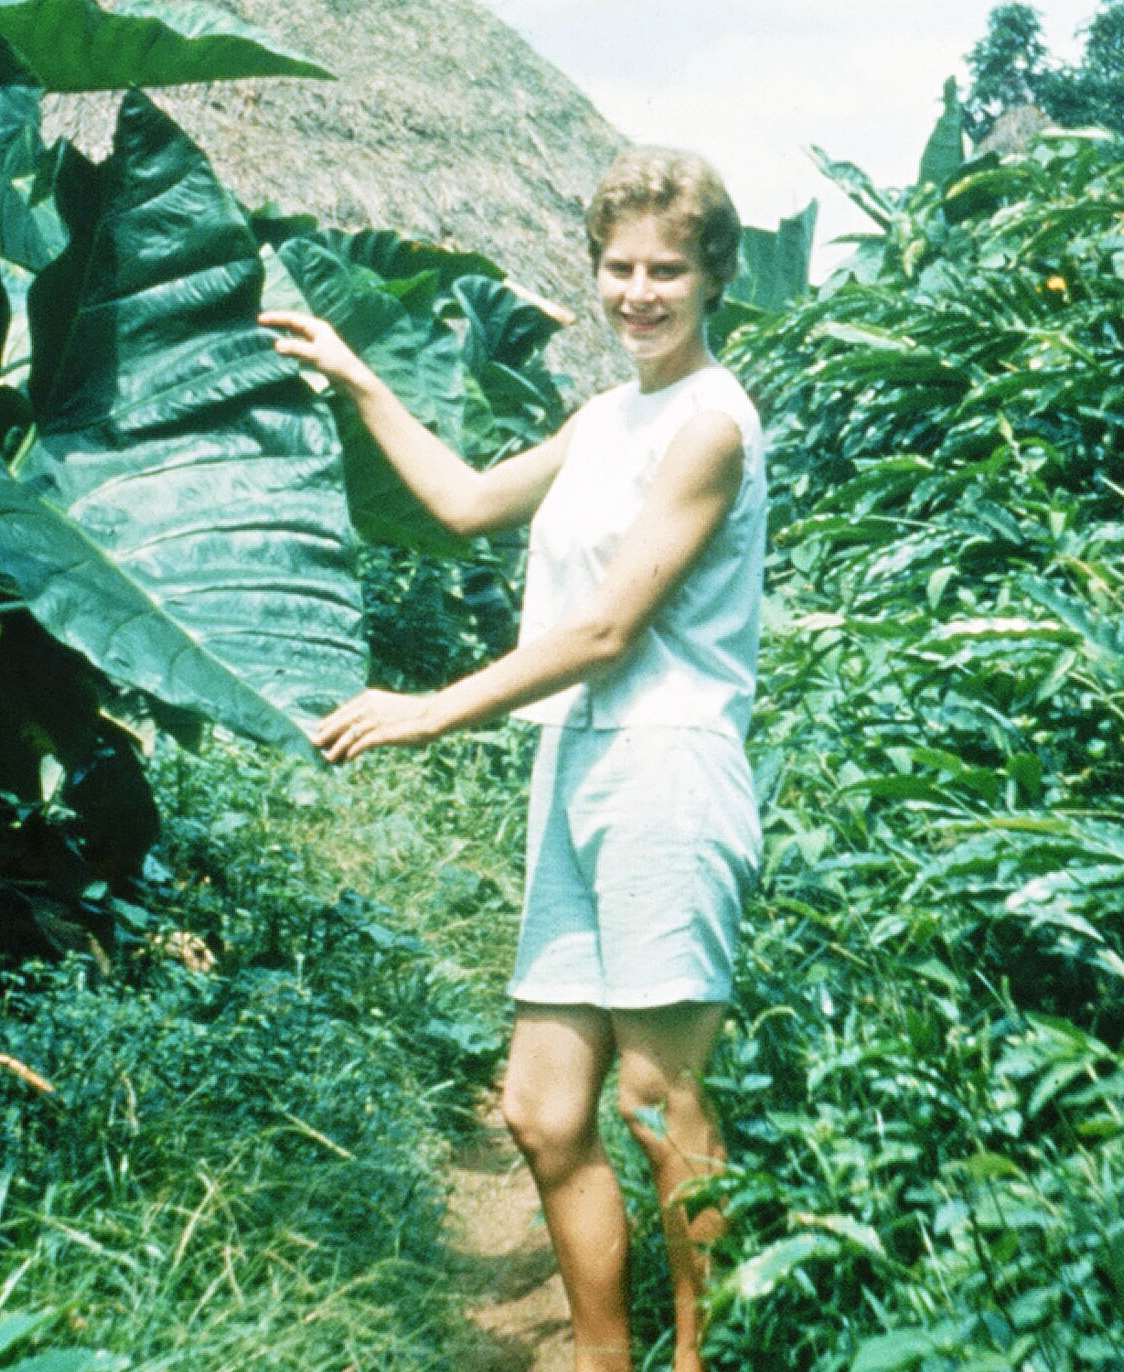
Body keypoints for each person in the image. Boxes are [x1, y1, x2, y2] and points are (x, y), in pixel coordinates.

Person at [261, 146, 763, 1372]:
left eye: (666, 271)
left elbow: (604, 631)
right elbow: (464, 503)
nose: (637, 292)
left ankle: (698, 1362)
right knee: (542, 1111)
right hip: (574, 764)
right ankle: (601, 1359)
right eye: (618, 267)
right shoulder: (604, 417)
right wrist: (357, 376)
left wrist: (432, 709)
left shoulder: (710, 425)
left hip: (666, 768)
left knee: (657, 1103)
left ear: (713, 276)